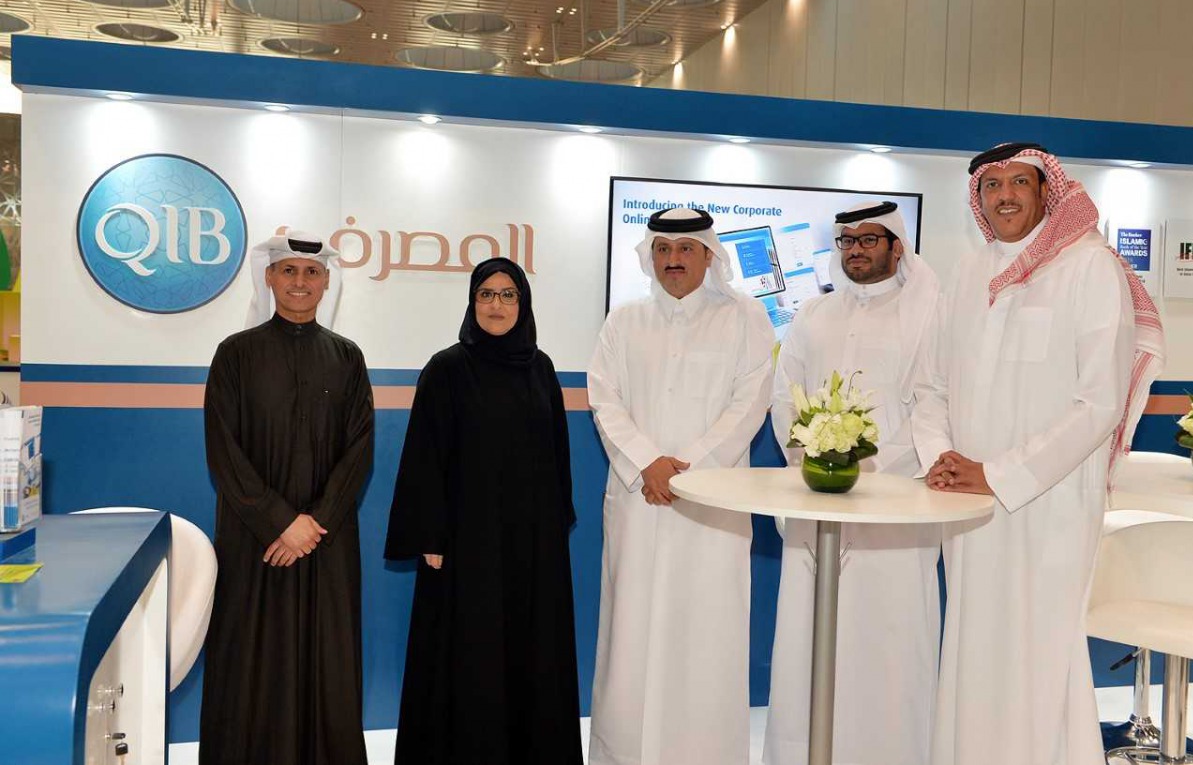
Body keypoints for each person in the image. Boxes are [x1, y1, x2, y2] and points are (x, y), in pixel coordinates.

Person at [913, 143, 1164, 764]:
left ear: (1046, 189)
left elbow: (1098, 403)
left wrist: (996, 473)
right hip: (968, 506)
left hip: (1049, 500)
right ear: (978, 198)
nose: (1004, 196)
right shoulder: (968, 273)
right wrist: (941, 456)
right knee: (974, 645)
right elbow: (931, 384)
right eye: (992, 184)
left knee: (1039, 649)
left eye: (1018, 182)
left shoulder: (1090, 268)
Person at [587, 207, 774, 765]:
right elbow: (605, 398)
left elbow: (752, 402)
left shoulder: (744, 318)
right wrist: (647, 463)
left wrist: (688, 469)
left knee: (705, 631)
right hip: (638, 500)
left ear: (709, 255)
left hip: (711, 505)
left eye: (686, 249)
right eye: (663, 249)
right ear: (650, 256)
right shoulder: (624, 321)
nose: (673, 259)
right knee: (631, 633)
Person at [385, 257, 582, 765]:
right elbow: (424, 456)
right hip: (465, 549)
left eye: (508, 294)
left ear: (524, 303)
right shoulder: (447, 367)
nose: (497, 305)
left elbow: (558, 453)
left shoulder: (540, 368)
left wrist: (557, 523)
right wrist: (429, 537)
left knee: (530, 659)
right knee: (468, 661)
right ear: (473, 303)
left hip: (532, 549)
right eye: (487, 295)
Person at [765, 201, 941, 765]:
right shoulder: (814, 316)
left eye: (869, 240)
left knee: (889, 641)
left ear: (896, 246)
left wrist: (870, 470)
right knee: (808, 639)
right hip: (817, 499)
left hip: (898, 506)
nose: (857, 250)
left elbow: (935, 404)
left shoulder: (928, 315)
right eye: (847, 242)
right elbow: (784, 396)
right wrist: (814, 465)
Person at [200, 232, 374, 765]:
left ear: (327, 282)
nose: (301, 283)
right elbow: (224, 450)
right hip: (258, 541)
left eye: (312, 273)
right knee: (251, 658)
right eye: (289, 272)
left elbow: (359, 450)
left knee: (328, 661)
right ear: (270, 278)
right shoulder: (234, 354)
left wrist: (312, 523)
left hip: (326, 540)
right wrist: (279, 522)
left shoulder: (347, 357)